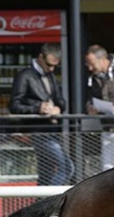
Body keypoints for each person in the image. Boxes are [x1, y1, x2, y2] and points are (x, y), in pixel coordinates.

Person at [9, 43, 73, 185]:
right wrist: (38, 108)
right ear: (40, 58)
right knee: (67, 167)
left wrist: (58, 108)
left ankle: (41, 204)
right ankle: (49, 201)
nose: (51, 69)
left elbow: (61, 99)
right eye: (49, 65)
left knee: (47, 172)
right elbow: (14, 105)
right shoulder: (25, 75)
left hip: (52, 129)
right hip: (38, 130)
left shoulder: (50, 75)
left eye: (55, 66)